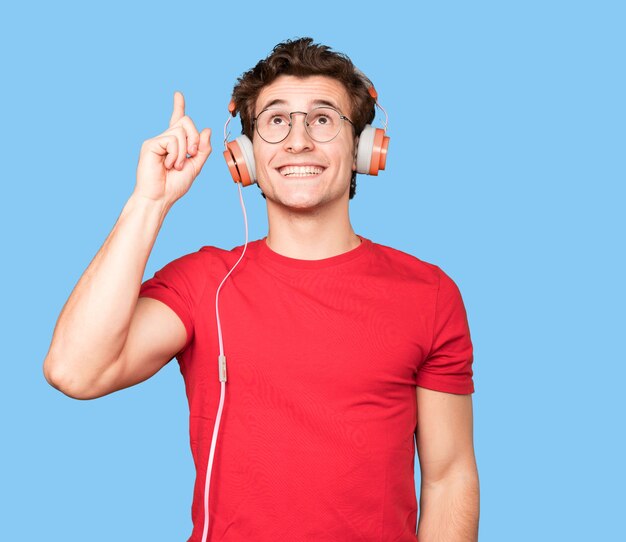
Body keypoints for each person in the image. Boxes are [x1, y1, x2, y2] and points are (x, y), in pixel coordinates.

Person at [43, 37, 479, 541]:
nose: (298, 141)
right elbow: (74, 371)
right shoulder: (203, 283)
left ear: (360, 146)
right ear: (244, 155)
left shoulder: (428, 292)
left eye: (322, 119)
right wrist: (150, 202)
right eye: (276, 121)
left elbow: (449, 477)